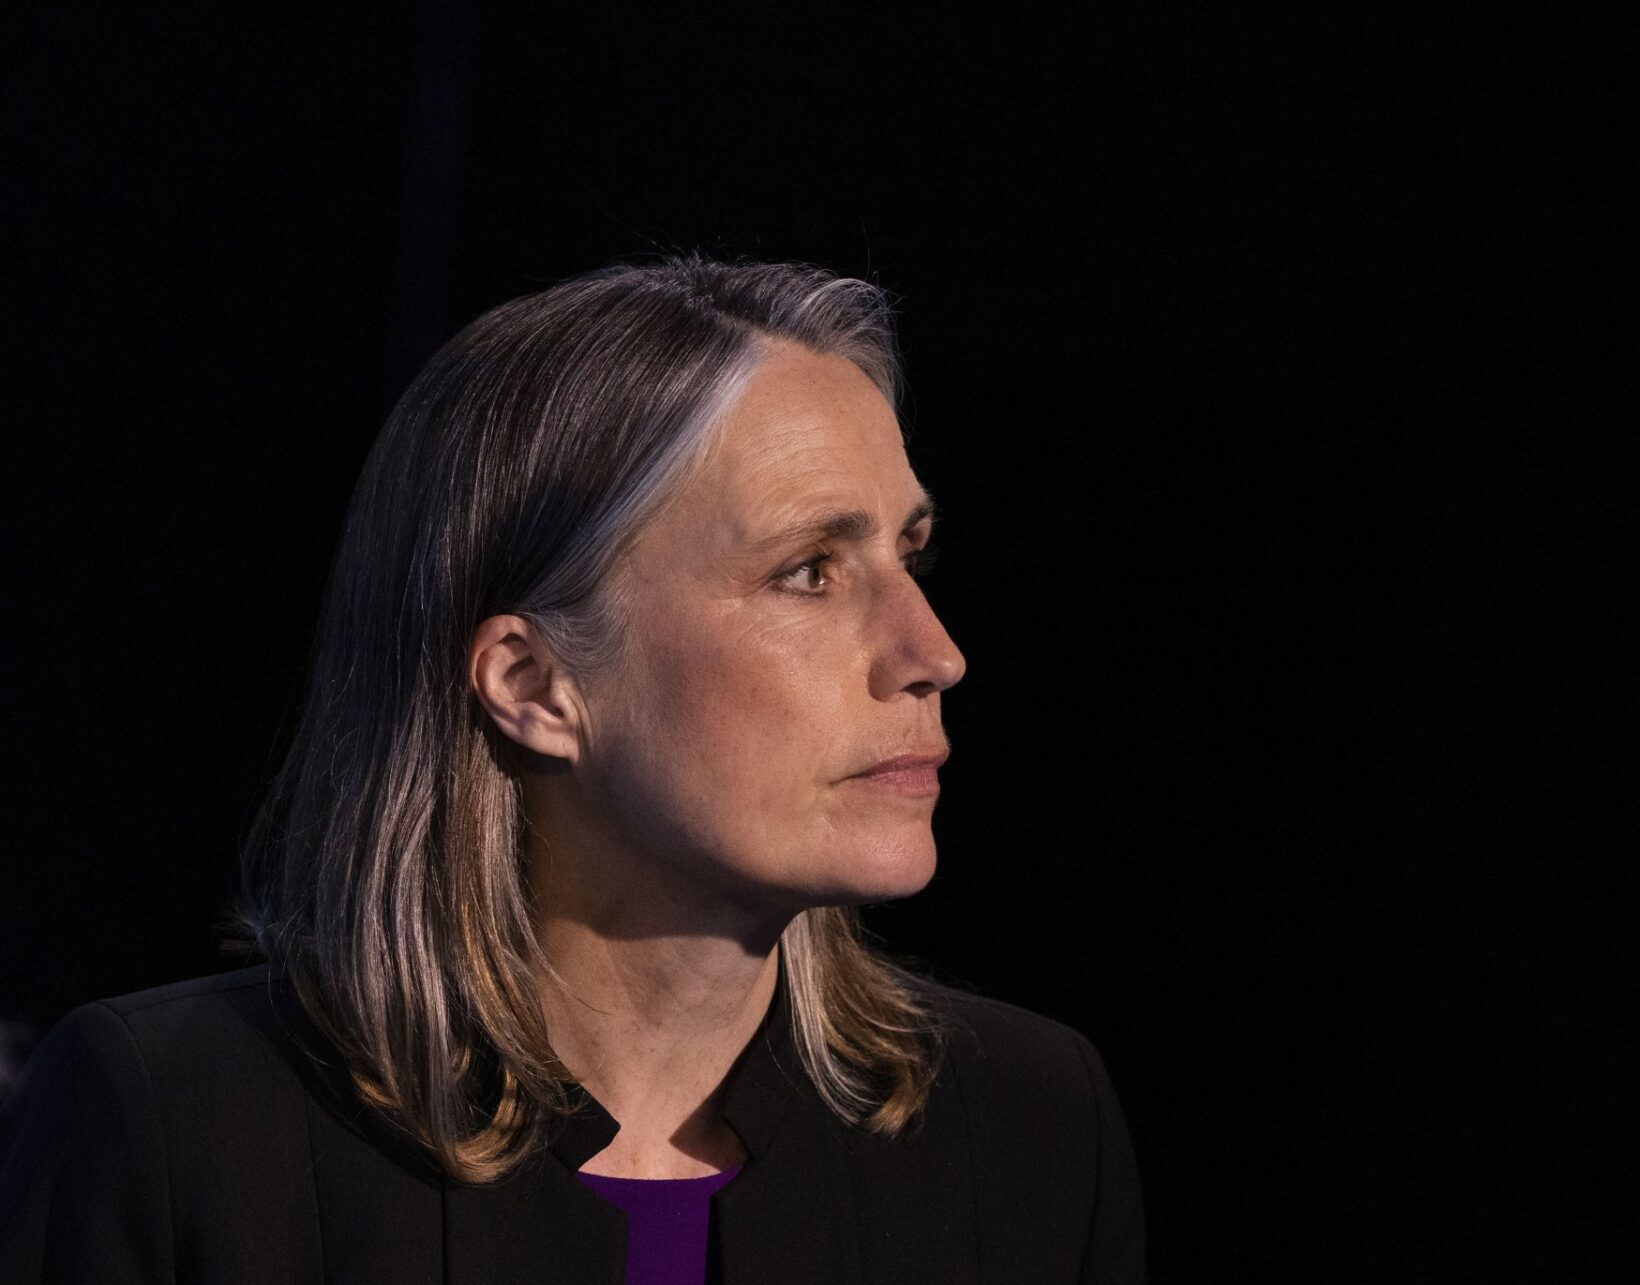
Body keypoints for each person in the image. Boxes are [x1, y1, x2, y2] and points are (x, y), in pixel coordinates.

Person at [0, 258, 1146, 1283]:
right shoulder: (175, 1126)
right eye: (809, 570)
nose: (934, 652)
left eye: (909, 554)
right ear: (535, 684)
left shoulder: (1030, 1131)